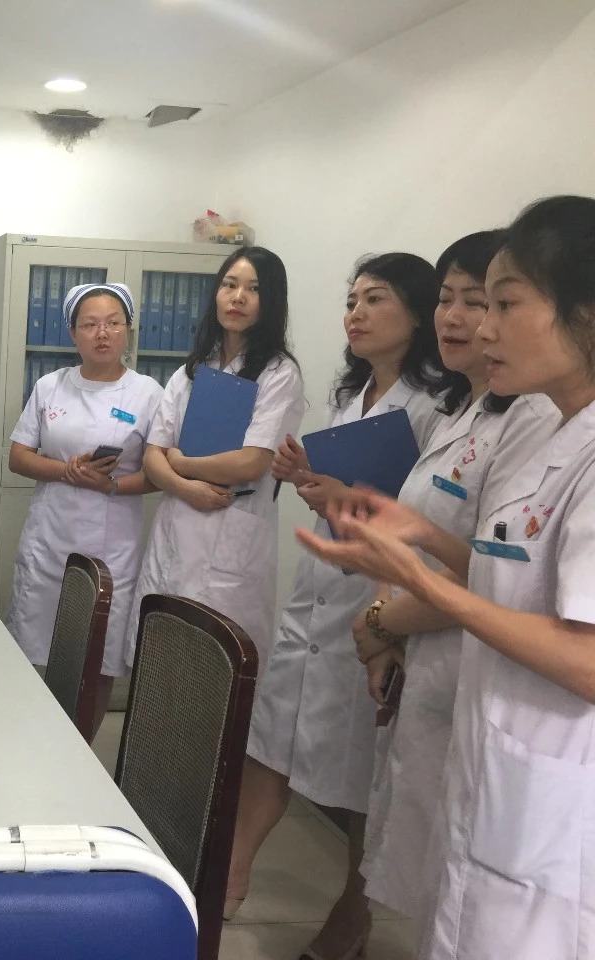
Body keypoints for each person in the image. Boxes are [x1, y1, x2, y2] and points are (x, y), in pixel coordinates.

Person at [299, 195, 595, 959]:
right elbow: (515, 579)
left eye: (503, 304)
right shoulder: (556, 434)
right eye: (462, 301)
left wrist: (419, 586)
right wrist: (420, 535)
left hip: (553, 805)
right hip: (491, 767)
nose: (481, 326)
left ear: (586, 313)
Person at [227, 252, 452, 960]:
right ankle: (225, 880)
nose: (356, 313)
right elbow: (346, 504)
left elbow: (414, 522)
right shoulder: (352, 397)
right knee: (272, 740)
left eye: (374, 299)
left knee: (361, 774)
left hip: (377, 604)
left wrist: (334, 495)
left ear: (416, 312)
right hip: (319, 593)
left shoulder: (436, 409)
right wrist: (309, 481)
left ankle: (351, 918)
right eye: (351, 300)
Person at [355, 232, 561, 928]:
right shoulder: (468, 408)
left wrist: (381, 619)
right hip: (433, 666)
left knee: (454, 884)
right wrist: (387, 613)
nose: (463, 319)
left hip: (474, 670)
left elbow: (495, 574)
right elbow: (437, 541)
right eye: (450, 298)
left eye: (490, 302)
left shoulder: (536, 421)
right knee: (426, 876)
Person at [130, 247, 305, 681]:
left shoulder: (278, 374)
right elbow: (153, 456)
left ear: (271, 301)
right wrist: (186, 486)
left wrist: (181, 463)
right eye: (229, 284)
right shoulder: (190, 371)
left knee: (217, 679)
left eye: (253, 289)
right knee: (160, 673)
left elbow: (250, 462)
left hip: (233, 530)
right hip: (177, 526)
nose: (238, 297)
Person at [6, 282, 162, 734]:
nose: (102, 333)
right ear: (73, 333)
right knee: (36, 647)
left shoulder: (148, 393)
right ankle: (35, 742)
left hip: (112, 547)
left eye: (113, 323)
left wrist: (110, 485)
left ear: (128, 330)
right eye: (90, 324)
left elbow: (158, 474)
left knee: (100, 657)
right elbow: (18, 457)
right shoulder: (50, 386)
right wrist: (66, 471)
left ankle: (83, 752)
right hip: (49, 541)